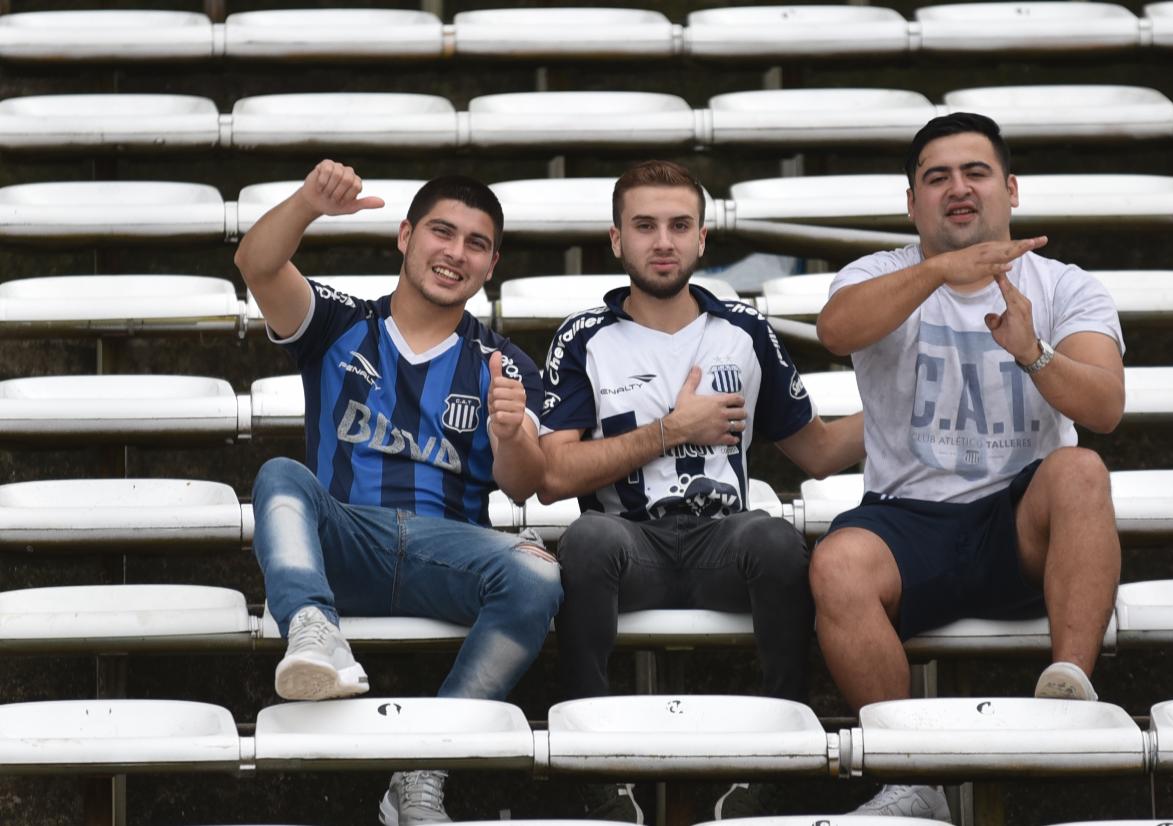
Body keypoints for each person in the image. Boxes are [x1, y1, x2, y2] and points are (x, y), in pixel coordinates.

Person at [811, 112, 1125, 820]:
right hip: (907, 518)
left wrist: (1034, 353)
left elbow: (1105, 406)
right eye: (937, 177)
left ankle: (1068, 692)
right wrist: (938, 272)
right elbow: (836, 331)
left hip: (1019, 520)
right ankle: (908, 780)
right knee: (836, 564)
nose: (958, 189)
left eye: (976, 172)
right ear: (912, 202)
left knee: (1081, 470)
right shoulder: (879, 273)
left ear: (1010, 191)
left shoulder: (1064, 285)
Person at [235, 160, 563, 826]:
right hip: (347, 541)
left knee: (538, 574)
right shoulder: (338, 324)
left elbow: (529, 484)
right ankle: (312, 628)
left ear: (491, 264)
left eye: (476, 243)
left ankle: (425, 769)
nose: (455, 253)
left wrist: (511, 431)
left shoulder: (504, 363)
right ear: (406, 236)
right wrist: (307, 203)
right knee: (279, 475)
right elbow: (258, 265)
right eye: (442, 232)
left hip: (449, 555)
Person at [538, 159, 866, 823]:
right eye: (645, 226)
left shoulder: (744, 331)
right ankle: (587, 771)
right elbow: (553, 478)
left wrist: (904, 400)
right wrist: (669, 431)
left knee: (774, 535)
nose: (663, 240)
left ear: (702, 239)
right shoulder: (583, 337)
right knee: (588, 537)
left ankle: (783, 759)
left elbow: (822, 453)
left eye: (679, 225)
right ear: (616, 239)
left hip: (724, 545)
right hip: (629, 547)